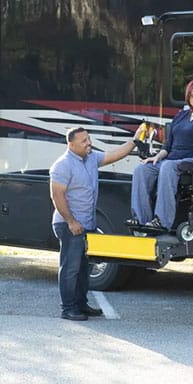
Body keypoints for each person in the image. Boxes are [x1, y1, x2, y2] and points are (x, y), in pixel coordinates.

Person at [50, 126, 136, 321]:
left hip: (87, 225)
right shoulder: (62, 165)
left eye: (88, 139)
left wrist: (135, 141)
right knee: (70, 268)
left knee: (83, 269)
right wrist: (71, 222)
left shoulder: (91, 158)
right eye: (84, 141)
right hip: (68, 224)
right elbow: (57, 196)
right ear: (71, 145)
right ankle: (68, 309)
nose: (89, 143)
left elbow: (114, 155)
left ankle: (81, 304)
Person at [128, 79, 193, 231]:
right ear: (188, 97)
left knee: (168, 166)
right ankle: (141, 219)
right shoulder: (181, 116)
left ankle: (162, 221)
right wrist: (157, 156)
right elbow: (168, 145)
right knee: (142, 169)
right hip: (171, 158)